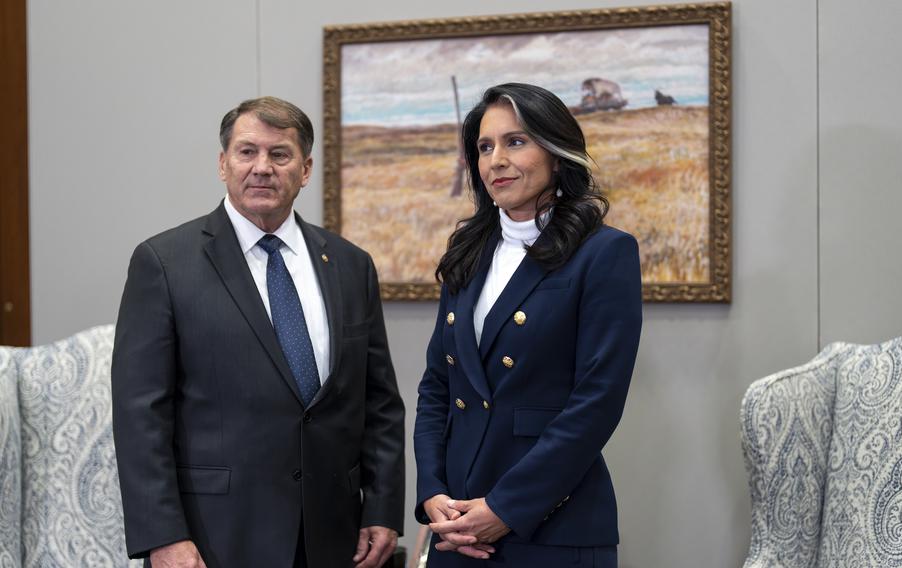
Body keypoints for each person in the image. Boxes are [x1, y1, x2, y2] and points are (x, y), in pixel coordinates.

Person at [112, 96, 405, 568]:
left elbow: (379, 402)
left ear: (305, 169)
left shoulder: (351, 265)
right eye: (247, 152)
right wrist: (163, 536)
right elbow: (139, 414)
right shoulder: (164, 263)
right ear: (223, 164)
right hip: (216, 538)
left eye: (280, 154)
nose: (262, 168)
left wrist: (384, 509)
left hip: (335, 537)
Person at [413, 83, 642, 567]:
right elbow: (437, 387)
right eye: (484, 147)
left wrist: (506, 507)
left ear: (557, 156)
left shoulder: (604, 253)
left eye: (515, 142)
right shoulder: (466, 254)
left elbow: (596, 402)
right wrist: (433, 491)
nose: (496, 159)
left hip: (549, 526)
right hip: (457, 528)